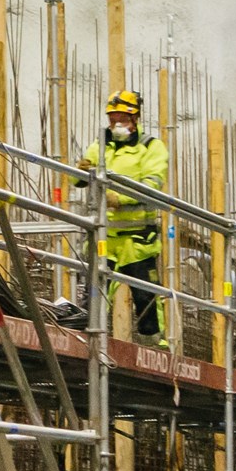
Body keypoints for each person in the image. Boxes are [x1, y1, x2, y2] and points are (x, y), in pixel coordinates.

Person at [80, 87, 169, 339]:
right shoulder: (101, 145)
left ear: (135, 118)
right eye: (113, 118)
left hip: (138, 240)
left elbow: (151, 187)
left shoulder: (151, 147)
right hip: (104, 237)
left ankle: (153, 349)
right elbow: (77, 178)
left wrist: (119, 198)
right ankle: (89, 340)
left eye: (123, 118)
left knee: (145, 297)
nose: (117, 123)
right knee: (93, 294)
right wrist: (80, 170)